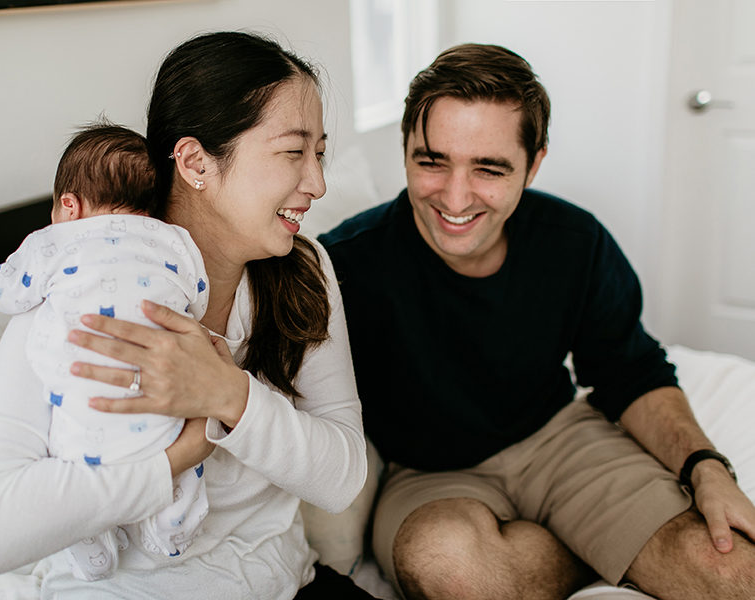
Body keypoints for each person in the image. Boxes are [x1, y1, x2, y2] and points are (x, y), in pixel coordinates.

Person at [0, 31, 375, 599]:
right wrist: (170, 462)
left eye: (318, 153)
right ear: (195, 161)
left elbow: (342, 477)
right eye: (294, 152)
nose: (316, 183)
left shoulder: (303, 270)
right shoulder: (81, 291)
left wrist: (228, 395)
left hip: (284, 583)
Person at [318, 43, 755, 600]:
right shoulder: (343, 265)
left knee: (729, 569)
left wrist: (707, 470)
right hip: (429, 475)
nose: (454, 198)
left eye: (489, 168)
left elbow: (632, 371)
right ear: (405, 150)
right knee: (448, 570)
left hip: (561, 441)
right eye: (431, 161)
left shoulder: (575, 242)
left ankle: (593, 539)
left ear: (535, 162)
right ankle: (587, 550)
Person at [0, 123, 210, 581]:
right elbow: (199, 296)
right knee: (181, 471)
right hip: (160, 412)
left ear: (69, 205)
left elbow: (6, 295)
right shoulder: (174, 240)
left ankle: (90, 539)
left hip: (86, 418)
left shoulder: (51, 241)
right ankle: (171, 531)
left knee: (67, 478)